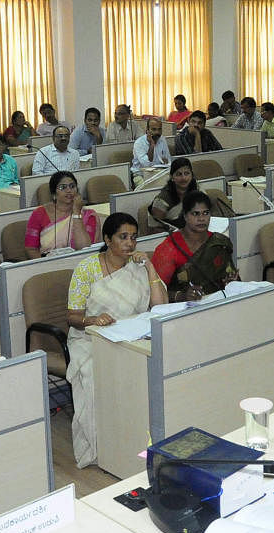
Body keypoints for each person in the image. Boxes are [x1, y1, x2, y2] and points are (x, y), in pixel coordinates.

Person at [66, 212, 169, 467]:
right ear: (107, 239)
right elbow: (72, 317)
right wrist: (94, 320)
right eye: (123, 237)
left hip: (131, 335)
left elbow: (159, 306)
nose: (130, 243)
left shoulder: (137, 266)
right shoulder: (87, 268)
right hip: (91, 339)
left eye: (134, 238)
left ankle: (135, 440)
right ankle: (100, 447)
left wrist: (150, 265)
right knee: (92, 375)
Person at [151, 190, 238, 301]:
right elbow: (153, 293)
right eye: (195, 214)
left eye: (205, 213)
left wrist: (231, 283)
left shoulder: (219, 243)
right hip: (183, 312)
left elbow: (230, 277)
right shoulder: (169, 249)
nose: (201, 219)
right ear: (185, 216)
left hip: (218, 303)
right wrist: (182, 296)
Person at [25, 171, 99, 259]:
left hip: (79, 264)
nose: (69, 191)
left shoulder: (87, 215)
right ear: (53, 194)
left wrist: (76, 213)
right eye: (62, 187)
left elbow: (85, 249)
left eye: (72, 186)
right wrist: (43, 266)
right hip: (47, 264)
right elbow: (31, 249)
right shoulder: (39, 214)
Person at [149, 157, 199, 231]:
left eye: (187, 173)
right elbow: (156, 229)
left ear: (192, 175)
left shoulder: (197, 191)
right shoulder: (162, 200)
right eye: (179, 174)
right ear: (172, 177)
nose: (183, 178)